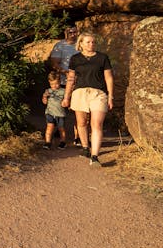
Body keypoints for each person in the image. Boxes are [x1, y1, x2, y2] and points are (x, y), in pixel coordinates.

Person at [61, 32, 114, 167]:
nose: (91, 44)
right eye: (88, 42)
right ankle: (85, 147)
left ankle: (94, 156)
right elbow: (71, 79)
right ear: (81, 44)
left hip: (98, 93)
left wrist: (110, 96)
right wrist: (66, 97)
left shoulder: (102, 58)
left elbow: (108, 78)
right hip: (80, 92)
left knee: (96, 124)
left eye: (93, 42)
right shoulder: (75, 59)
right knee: (82, 122)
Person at [49, 26, 82, 145]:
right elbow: (54, 64)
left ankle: (78, 136)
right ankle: (59, 130)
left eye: (75, 32)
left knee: (78, 110)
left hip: (79, 82)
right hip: (63, 82)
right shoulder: (60, 45)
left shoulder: (81, 44)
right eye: (70, 32)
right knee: (60, 109)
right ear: (65, 33)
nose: (73, 34)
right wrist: (66, 72)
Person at [42, 71, 66, 150]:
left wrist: (65, 103)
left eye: (56, 83)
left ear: (60, 82)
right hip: (50, 112)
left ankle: (62, 142)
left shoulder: (63, 91)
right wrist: (45, 97)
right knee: (49, 126)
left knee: (61, 128)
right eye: (52, 84)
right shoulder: (48, 91)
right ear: (49, 83)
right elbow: (44, 102)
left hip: (60, 113)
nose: (54, 86)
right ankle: (48, 142)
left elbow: (67, 101)